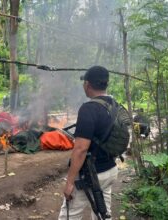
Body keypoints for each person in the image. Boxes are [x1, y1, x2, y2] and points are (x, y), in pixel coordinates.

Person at [59, 66, 118, 220]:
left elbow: (80, 149)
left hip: (91, 174)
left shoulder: (89, 109)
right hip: (110, 170)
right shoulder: (114, 105)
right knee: (103, 214)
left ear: (87, 85)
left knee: (69, 215)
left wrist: (70, 182)